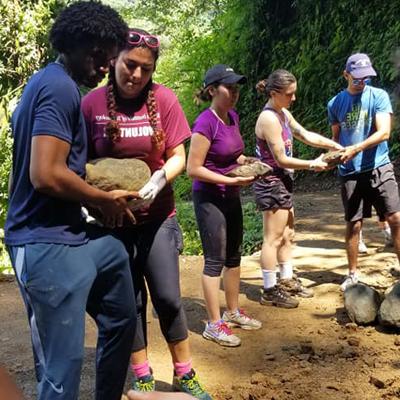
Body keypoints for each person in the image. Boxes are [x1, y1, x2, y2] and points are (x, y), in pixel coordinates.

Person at [4, 2, 138, 400]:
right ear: (76, 44)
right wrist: (103, 200)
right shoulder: (58, 87)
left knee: (120, 305)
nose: (105, 67)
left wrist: (95, 203)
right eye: (100, 56)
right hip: (42, 242)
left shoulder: (49, 82)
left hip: (72, 234)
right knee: (61, 370)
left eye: (110, 58)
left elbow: (61, 166)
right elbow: (44, 174)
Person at [81, 29, 211, 400]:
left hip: (157, 216)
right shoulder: (91, 105)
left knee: (168, 298)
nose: (136, 75)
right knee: (129, 300)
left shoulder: (164, 99)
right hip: (112, 222)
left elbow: (178, 156)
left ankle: (184, 373)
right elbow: (79, 162)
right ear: (113, 62)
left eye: (145, 68)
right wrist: (90, 201)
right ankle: (141, 375)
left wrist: (160, 177)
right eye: (130, 64)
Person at [187, 64, 262, 348]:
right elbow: (193, 169)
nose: (235, 93)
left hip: (230, 192)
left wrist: (246, 163)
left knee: (234, 256)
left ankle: (232, 312)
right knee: (214, 260)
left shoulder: (232, 116)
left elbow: (234, 154)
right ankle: (214, 324)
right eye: (229, 87)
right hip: (209, 197)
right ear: (211, 90)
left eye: (237, 88)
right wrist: (228, 182)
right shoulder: (204, 123)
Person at [254, 69, 343, 308]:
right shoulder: (269, 119)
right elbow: (281, 159)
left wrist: (334, 144)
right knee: (272, 238)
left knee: (288, 234)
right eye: (289, 94)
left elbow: (304, 134)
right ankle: (269, 289)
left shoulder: (282, 113)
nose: (294, 98)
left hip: (283, 181)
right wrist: (312, 164)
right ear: (274, 93)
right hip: (271, 182)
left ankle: (286, 279)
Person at [328, 53, 400, 291]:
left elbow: (384, 132)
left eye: (366, 77)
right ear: (346, 74)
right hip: (350, 171)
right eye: (357, 77)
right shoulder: (335, 103)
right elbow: (336, 139)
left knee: (395, 218)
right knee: (354, 223)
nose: (361, 82)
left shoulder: (378, 96)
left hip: (379, 166)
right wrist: (332, 156)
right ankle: (352, 274)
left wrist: (356, 148)